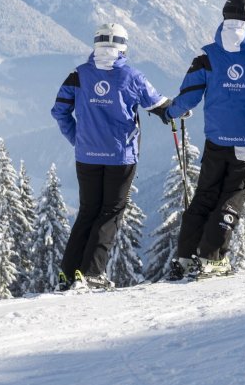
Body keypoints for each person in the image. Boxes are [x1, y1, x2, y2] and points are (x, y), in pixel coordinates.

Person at [163, 0, 245, 279]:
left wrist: (170, 113)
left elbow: (188, 96)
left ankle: (184, 258)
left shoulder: (207, 56)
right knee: (232, 199)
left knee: (204, 197)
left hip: (216, 141)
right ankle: (211, 258)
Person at [51, 22, 170, 290]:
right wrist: (178, 111)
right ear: (124, 45)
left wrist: (78, 139)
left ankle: (68, 274)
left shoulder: (78, 75)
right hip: (120, 157)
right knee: (110, 213)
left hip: (87, 156)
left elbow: (59, 111)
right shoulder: (132, 76)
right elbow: (158, 104)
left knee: (87, 212)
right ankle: (92, 274)